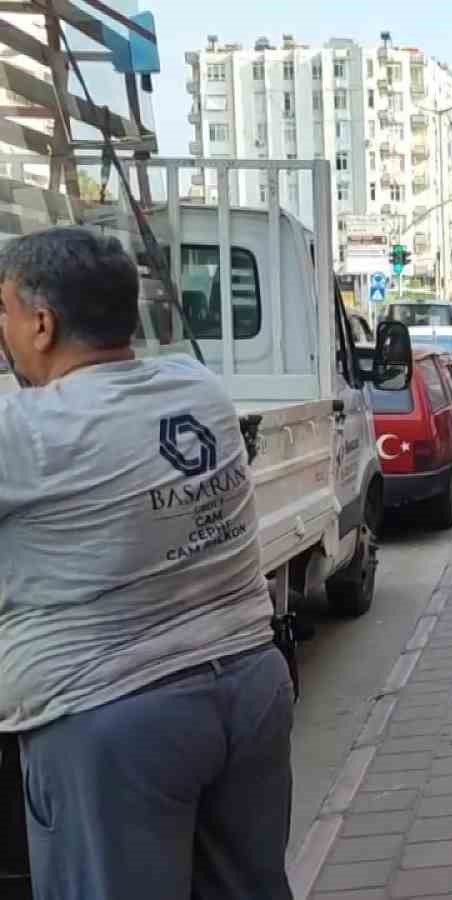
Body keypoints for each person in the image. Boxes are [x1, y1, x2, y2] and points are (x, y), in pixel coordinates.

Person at [0, 227, 293, 897]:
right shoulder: (197, 387)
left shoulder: (27, 434)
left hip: (111, 716)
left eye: (3, 310)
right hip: (246, 685)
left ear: (41, 323)